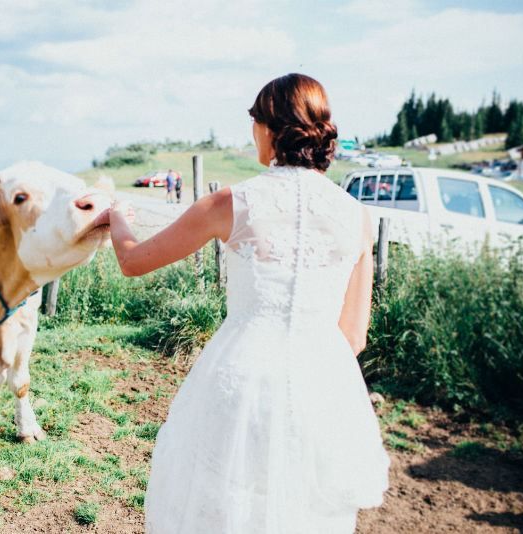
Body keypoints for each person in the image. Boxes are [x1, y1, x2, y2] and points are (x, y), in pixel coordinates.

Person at [103, 73, 390, 533]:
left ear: (269, 129)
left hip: (242, 380)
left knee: (226, 507)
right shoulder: (357, 216)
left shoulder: (232, 203)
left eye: (255, 122)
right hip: (324, 385)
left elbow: (134, 260)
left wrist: (118, 216)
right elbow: (354, 336)